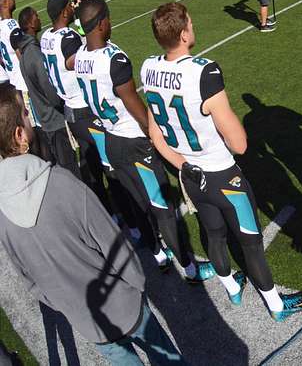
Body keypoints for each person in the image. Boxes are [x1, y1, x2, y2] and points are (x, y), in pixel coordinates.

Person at [142, 2, 302, 320]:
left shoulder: (149, 68)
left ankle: (231, 287)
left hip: (190, 174)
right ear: (183, 33)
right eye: (190, 23)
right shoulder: (203, 72)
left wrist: (183, 165)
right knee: (250, 242)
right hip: (222, 174)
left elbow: (155, 135)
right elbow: (240, 144)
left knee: (213, 233)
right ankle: (275, 306)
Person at [0, 84, 186, 365]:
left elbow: (28, 279)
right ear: (18, 135)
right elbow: (114, 244)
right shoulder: (61, 183)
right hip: (125, 306)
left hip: (87, 321)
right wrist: (135, 285)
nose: (30, 117)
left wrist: (65, 303)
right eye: (26, 114)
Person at [73, 0, 213, 283]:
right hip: (133, 140)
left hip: (109, 139)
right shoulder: (114, 59)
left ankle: (158, 255)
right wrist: (153, 132)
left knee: (136, 202)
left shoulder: (80, 58)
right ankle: (188, 267)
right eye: (108, 19)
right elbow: (131, 100)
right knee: (161, 206)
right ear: (101, 23)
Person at [40, 0, 111, 209]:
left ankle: (103, 207)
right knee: (109, 165)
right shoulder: (68, 37)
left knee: (91, 164)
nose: (73, 9)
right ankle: (131, 220)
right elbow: (72, 63)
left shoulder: (46, 36)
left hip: (69, 109)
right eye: (70, 7)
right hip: (83, 108)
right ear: (64, 12)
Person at [11, 7, 77, 172]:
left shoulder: (26, 53)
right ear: (31, 23)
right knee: (70, 168)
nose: (39, 19)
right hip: (54, 119)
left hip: (45, 117)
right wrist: (60, 104)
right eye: (36, 16)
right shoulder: (34, 53)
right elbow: (48, 88)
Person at [0, 0, 25, 96]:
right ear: (5, 3)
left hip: (13, 81)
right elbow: (23, 57)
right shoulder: (12, 26)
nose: (13, 0)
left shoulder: (1, 25)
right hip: (24, 83)